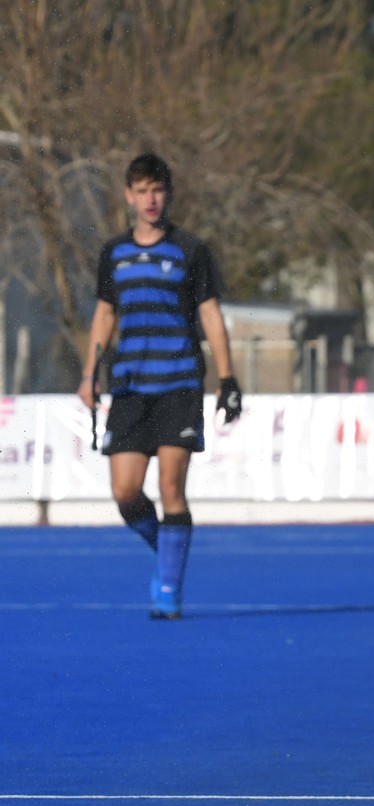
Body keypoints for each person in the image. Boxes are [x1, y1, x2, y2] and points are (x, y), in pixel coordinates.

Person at [78, 152, 243, 620]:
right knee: (125, 493)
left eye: (158, 190)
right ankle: (165, 550)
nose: (151, 199)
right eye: (142, 190)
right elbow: (104, 314)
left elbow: (210, 313)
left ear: (168, 194)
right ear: (129, 196)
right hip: (130, 388)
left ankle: (168, 589)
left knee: (172, 486)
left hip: (179, 386)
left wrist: (228, 378)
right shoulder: (114, 253)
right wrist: (89, 375)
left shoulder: (191, 250)